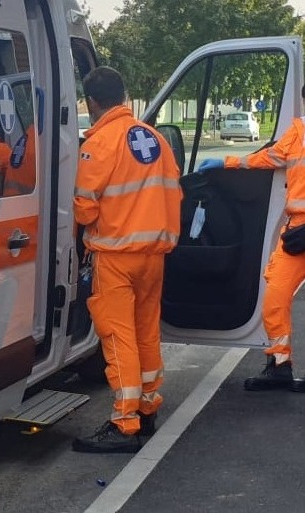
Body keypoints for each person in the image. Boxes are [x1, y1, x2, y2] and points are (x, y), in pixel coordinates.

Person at [71, 66, 182, 453]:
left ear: (92, 102)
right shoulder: (155, 138)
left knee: (118, 339)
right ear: (124, 95)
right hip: (154, 256)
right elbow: (173, 192)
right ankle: (148, 409)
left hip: (116, 256)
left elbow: (84, 209)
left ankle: (124, 422)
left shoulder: (98, 143)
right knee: (145, 332)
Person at [197, 85, 305, 393]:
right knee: (275, 297)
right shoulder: (297, 132)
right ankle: (280, 365)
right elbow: (269, 158)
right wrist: (227, 162)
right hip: (298, 231)